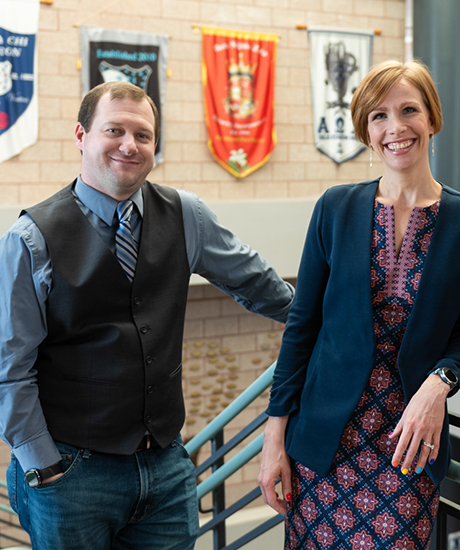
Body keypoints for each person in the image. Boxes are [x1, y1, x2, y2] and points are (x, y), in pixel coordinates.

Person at [0, 81, 295, 549]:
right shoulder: (30, 238)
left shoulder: (186, 215)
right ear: (81, 135)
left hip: (165, 470)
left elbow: (262, 286)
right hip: (71, 475)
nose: (129, 145)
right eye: (114, 130)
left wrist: (340, 327)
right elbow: (10, 370)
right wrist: (44, 465)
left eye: (143, 135)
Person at [257, 59, 460, 549]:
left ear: (431, 117)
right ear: (366, 131)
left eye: (408, 109)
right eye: (378, 116)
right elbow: (302, 327)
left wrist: (440, 384)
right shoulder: (336, 207)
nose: (395, 127)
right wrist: (274, 439)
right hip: (324, 443)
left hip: (409, 444)